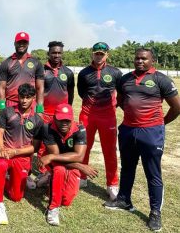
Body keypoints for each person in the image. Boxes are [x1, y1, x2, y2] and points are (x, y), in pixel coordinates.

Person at [104, 48, 180, 232]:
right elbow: (121, 101)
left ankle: (155, 212)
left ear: (152, 60)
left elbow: (176, 107)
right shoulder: (125, 79)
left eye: (144, 59)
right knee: (128, 166)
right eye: (137, 58)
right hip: (128, 130)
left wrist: (160, 123)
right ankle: (124, 200)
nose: (139, 61)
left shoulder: (161, 79)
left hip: (151, 132)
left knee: (152, 172)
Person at [0, 31, 44, 190]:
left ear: (28, 43)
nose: (21, 44)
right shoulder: (7, 62)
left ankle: (26, 172)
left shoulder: (35, 63)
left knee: (28, 138)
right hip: (11, 102)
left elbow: (39, 87)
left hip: (29, 103)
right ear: (15, 43)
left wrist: (39, 108)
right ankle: (4, 168)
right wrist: (3, 108)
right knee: (5, 135)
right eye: (19, 42)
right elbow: (1, 87)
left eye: (24, 42)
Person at [38, 103, 97, 226]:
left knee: (66, 201)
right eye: (60, 120)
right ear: (54, 118)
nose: (64, 123)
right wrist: (80, 166)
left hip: (67, 162)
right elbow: (56, 159)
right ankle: (52, 209)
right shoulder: (47, 128)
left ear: (72, 118)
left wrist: (52, 156)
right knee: (59, 170)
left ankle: (50, 180)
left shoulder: (80, 129)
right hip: (56, 164)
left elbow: (79, 156)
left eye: (67, 120)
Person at [0, 83, 44, 225]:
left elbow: (34, 148)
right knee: (0, 164)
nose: (24, 101)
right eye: (22, 97)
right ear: (18, 97)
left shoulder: (38, 120)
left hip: (21, 157)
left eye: (28, 98)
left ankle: (6, 180)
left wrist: (15, 151)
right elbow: (0, 132)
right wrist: (2, 148)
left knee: (16, 197)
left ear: (33, 98)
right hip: (6, 154)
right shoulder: (7, 112)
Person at [77, 42, 121, 200]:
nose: (99, 56)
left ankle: (112, 184)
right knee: (83, 148)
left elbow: (120, 93)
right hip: (87, 115)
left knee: (109, 151)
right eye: (96, 53)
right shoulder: (83, 73)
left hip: (108, 116)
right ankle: (81, 178)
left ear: (107, 55)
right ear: (92, 54)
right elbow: (82, 92)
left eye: (102, 54)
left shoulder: (115, 72)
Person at [37, 41, 75, 187]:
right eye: (54, 52)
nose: (56, 55)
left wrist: (67, 110)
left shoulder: (68, 72)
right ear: (49, 53)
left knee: (60, 143)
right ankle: (42, 171)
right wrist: (39, 111)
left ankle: (56, 169)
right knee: (43, 144)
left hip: (62, 116)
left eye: (59, 53)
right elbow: (38, 91)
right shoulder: (41, 70)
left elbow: (70, 93)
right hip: (45, 113)